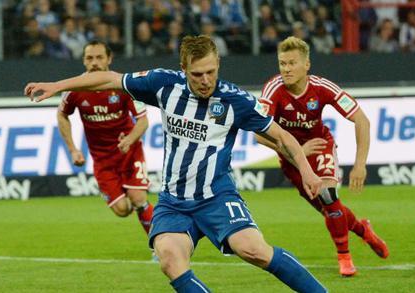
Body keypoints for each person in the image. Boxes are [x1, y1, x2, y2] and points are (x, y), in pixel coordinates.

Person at [26, 35, 327, 293]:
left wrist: (307, 171)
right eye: (197, 74)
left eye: (211, 72)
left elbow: (283, 137)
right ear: (183, 69)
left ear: (218, 65)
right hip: (173, 201)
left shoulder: (236, 101)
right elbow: (108, 78)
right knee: (170, 260)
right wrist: (59, 86)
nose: (206, 80)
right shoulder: (163, 85)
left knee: (253, 249)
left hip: (216, 196)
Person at [256, 36, 389, 277]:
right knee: (329, 210)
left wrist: (360, 165)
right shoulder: (273, 90)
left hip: (320, 147)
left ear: (307, 65)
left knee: (328, 195)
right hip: (292, 160)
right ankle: (362, 229)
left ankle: (345, 259)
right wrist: (295, 151)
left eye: (292, 63)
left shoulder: (322, 87)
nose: (286, 69)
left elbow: (361, 120)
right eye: (282, 63)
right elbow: (258, 135)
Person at [56, 40, 154, 240]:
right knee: (122, 209)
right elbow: (62, 115)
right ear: (83, 61)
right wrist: (73, 149)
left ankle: (159, 245)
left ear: (109, 59)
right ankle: (144, 213)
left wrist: (130, 139)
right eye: (89, 58)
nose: (94, 63)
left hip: (129, 153)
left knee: (138, 198)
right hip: (102, 161)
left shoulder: (124, 85)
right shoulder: (74, 89)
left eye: (99, 57)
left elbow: (143, 121)